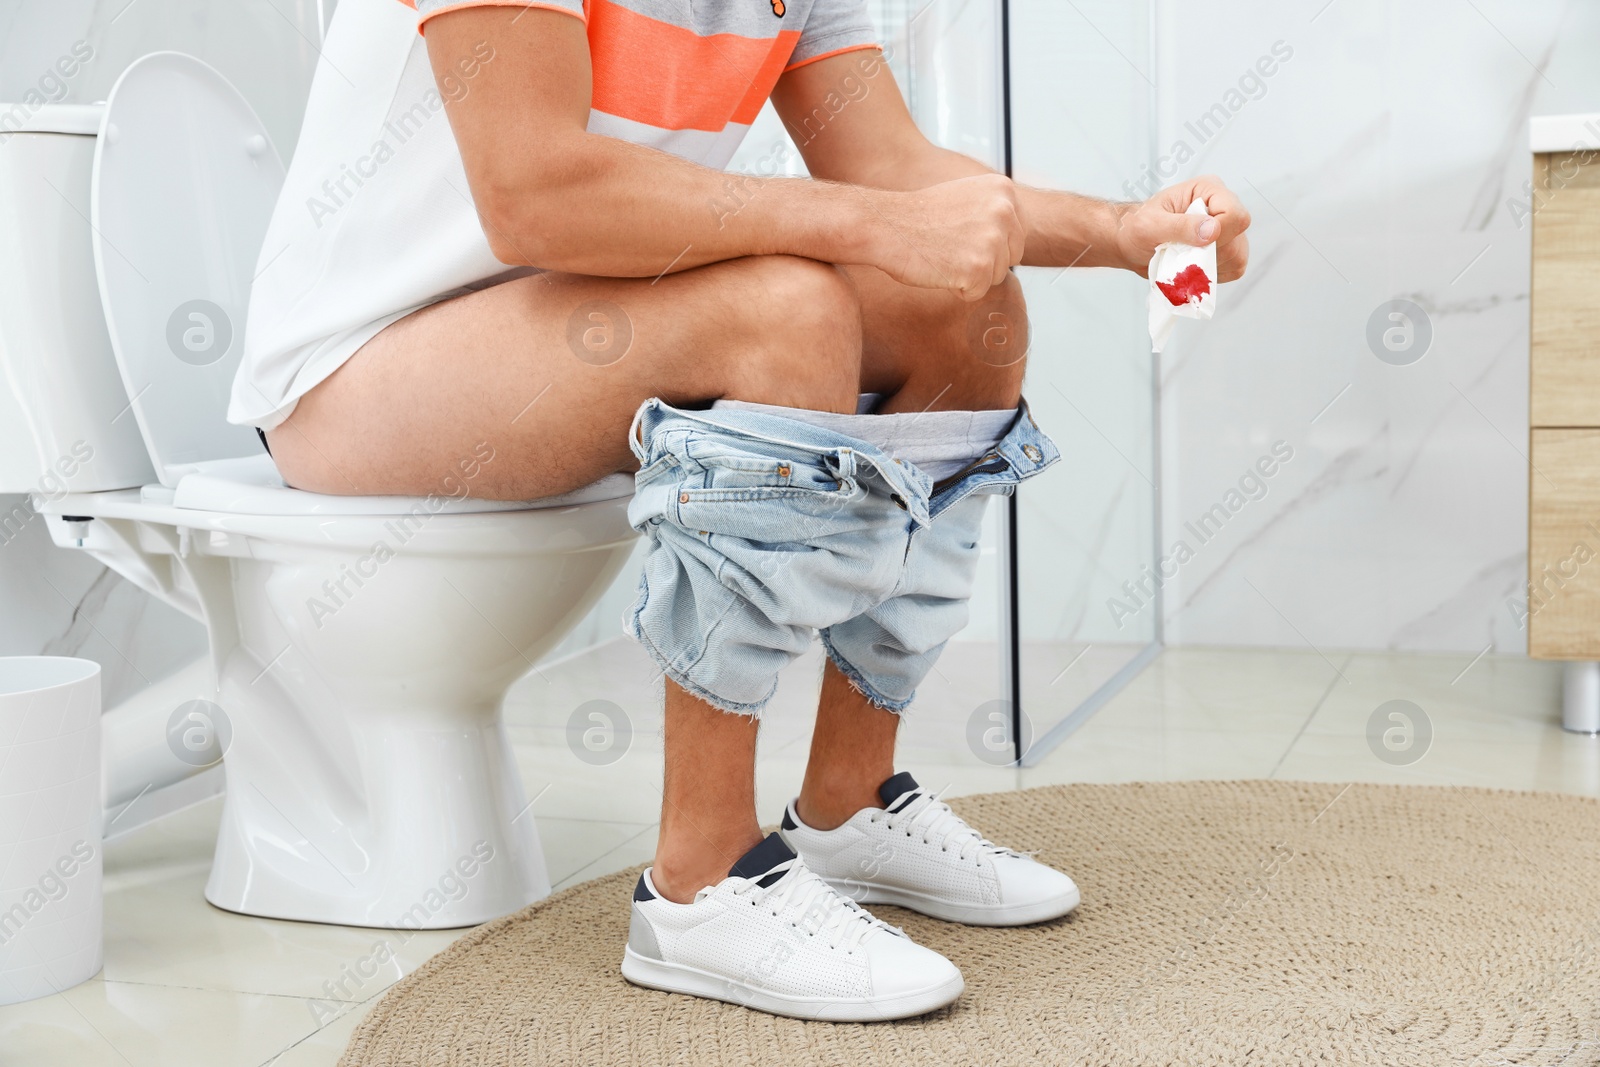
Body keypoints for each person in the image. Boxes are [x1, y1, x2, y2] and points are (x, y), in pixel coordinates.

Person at [231, 0, 1250, 1022]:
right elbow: (534, 192)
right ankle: (701, 880)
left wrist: (1122, 234)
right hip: (354, 375)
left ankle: (849, 800)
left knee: (966, 309)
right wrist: (863, 225)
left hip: (566, 330)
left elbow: (891, 166)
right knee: (783, 308)